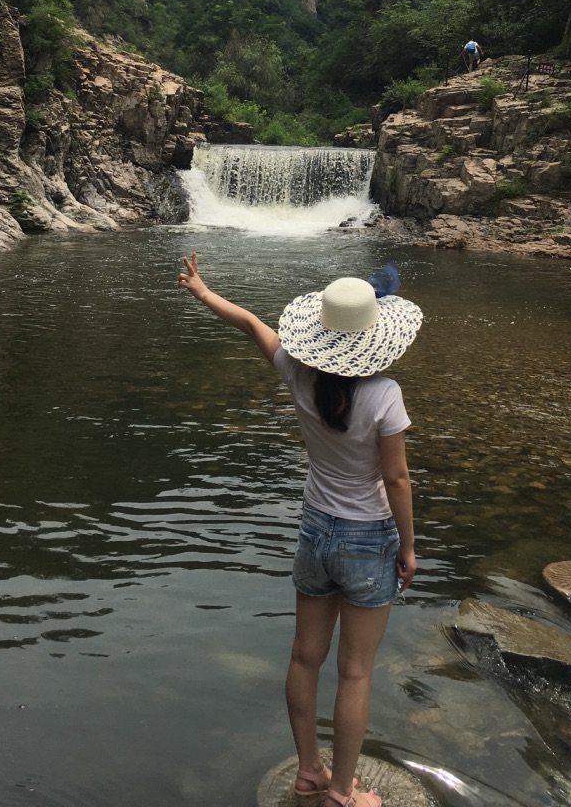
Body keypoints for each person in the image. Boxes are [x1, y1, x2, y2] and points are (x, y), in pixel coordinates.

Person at [177, 254, 422, 807]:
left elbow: (247, 322)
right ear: (374, 339)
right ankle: (342, 793)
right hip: (368, 538)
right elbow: (397, 478)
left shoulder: (295, 368)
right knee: (355, 673)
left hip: (315, 532)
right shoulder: (384, 395)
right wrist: (407, 547)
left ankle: (310, 770)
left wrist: (202, 289)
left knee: (303, 658)